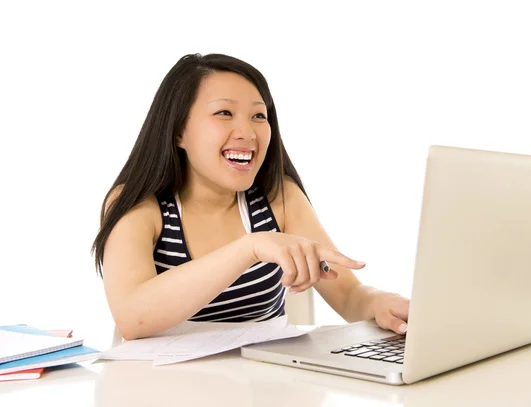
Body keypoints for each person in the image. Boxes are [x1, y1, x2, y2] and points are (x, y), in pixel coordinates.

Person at [91, 53, 410, 340]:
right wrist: (249, 248)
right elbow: (132, 318)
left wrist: (382, 304)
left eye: (259, 116)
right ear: (179, 132)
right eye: (224, 113)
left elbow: (349, 296)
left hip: (259, 386)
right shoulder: (137, 205)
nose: (247, 132)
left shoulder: (279, 197)